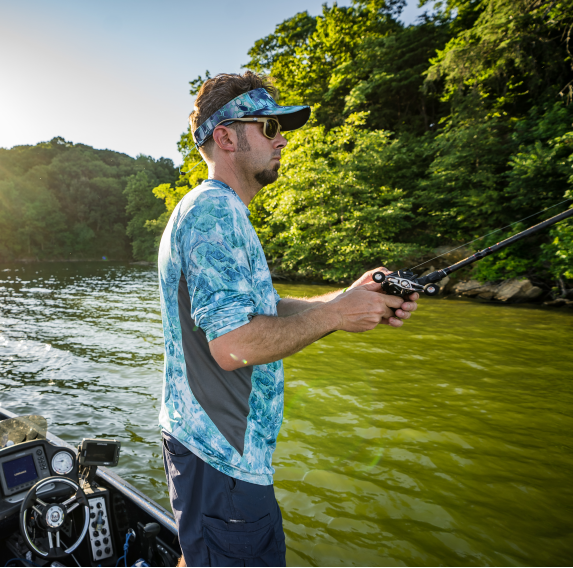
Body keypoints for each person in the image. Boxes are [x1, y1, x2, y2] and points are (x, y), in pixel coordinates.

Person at [158, 72, 419, 566]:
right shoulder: (214, 212)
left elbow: (262, 311)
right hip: (223, 462)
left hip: (212, 453)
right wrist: (338, 315)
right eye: (270, 127)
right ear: (226, 137)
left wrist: (348, 298)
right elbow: (234, 345)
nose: (282, 140)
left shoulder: (216, 210)